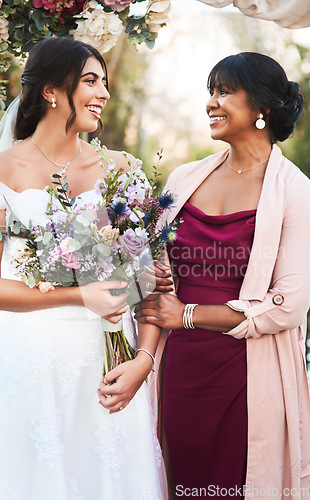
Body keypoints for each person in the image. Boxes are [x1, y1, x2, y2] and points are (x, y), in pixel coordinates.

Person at [0, 37, 168, 499]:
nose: (103, 93)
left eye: (105, 82)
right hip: (25, 362)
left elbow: (155, 282)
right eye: (90, 81)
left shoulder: (121, 169)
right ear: (50, 90)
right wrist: (79, 294)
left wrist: (143, 362)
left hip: (109, 366)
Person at [135, 52, 310, 499]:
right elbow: (154, 274)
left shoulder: (296, 192)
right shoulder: (182, 178)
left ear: (262, 109)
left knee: (235, 484)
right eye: (210, 92)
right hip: (178, 368)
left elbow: (289, 304)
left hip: (248, 371)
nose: (212, 102)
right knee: (178, 480)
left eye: (225, 91)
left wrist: (188, 314)